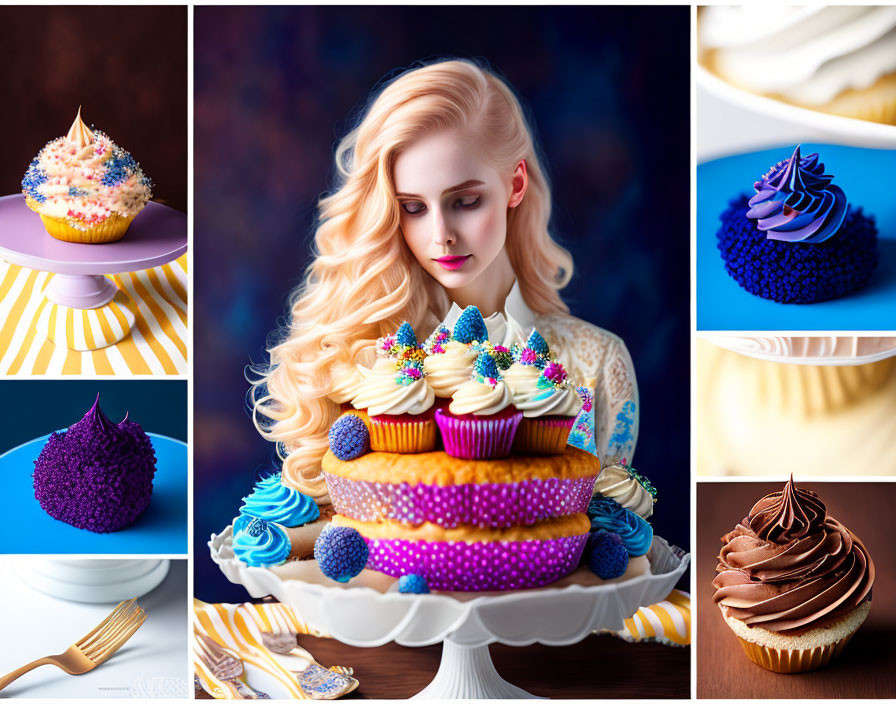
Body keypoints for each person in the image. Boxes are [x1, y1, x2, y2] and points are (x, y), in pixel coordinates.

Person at [252, 59, 638, 501]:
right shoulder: (367, 361)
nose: (441, 236)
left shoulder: (596, 365)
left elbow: (613, 536)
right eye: (413, 207)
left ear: (515, 185)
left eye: (466, 200)